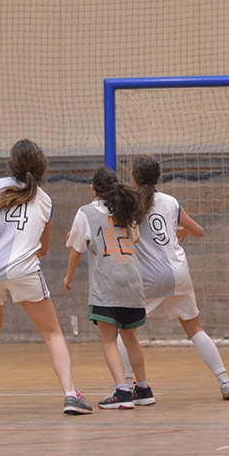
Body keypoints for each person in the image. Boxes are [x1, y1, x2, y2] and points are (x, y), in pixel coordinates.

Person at [0, 139, 92, 415]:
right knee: (51, 332)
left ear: (11, 164)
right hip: (23, 270)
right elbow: (42, 249)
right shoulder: (45, 201)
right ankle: (71, 394)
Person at [117, 155, 229, 400]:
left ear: (133, 177)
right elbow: (199, 231)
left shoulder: (128, 203)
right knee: (194, 329)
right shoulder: (171, 202)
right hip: (178, 273)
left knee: (125, 331)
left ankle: (126, 387)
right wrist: (180, 231)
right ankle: (225, 381)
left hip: (148, 277)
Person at [64, 166, 153, 410]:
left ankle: (122, 391)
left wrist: (68, 277)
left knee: (108, 340)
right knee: (130, 337)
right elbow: (134, 238)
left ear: (93, 188)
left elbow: (76, 250)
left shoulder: (85, 212)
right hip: (132, 279)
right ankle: (143, 389)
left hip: (108, 283)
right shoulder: (125, 208)